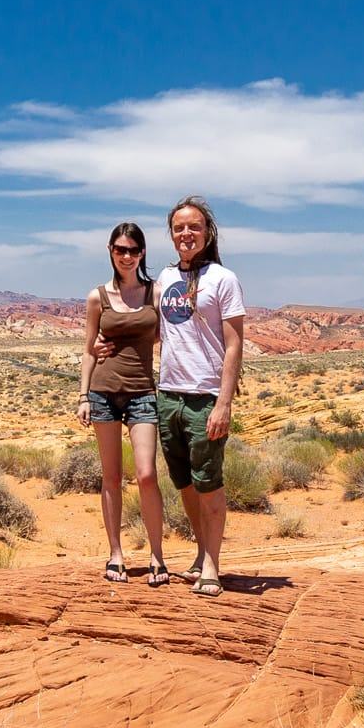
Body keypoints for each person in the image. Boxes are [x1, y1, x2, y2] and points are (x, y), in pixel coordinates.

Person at [153, 196, 245, 597]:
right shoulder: (163, 278)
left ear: (207, 233)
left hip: (204, 395)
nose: (186, 234)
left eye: (193, 227)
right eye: (179, 228)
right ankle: (198, 549)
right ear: (171, 235)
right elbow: (156, 332)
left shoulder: (223, 279)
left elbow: (235, 342)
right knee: (184, 482)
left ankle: (212, 562)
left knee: (209, 482)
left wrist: (223, 401)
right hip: (168, 394)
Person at [75, 223, 170, 585]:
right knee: (111, 476)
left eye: (133, 250)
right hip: (103, 392)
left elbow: (167, 336)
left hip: (143, 392)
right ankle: (116, 554)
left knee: (146, 474)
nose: (126, 256)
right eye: (120, 249)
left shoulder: (155, 293)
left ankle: (157, 555)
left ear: (142, 253)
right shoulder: (97, 297)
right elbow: (88, 350)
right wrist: (83, 396)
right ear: (110, 251)